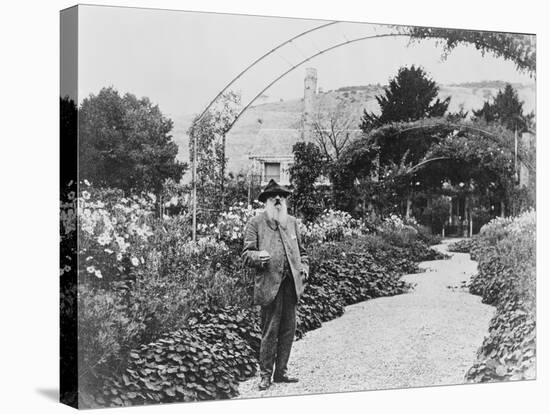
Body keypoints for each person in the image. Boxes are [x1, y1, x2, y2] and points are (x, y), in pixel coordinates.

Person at [242, 179, 309, 391]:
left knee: (289, 329)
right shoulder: (256, 223)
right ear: (266, 201)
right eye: (273, 197)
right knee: (270, 331)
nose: (278, 200)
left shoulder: (292, 222)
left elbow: (303, 252)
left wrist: (304, 268)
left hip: (291, 285)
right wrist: (256, 256)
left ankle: (281, 372)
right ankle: (265, 375)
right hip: (270, 285)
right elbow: (246, 254)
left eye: (281, 196)